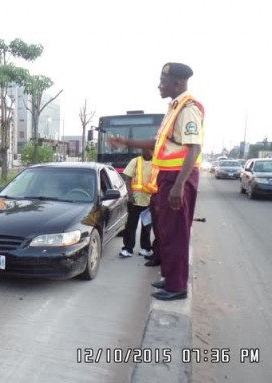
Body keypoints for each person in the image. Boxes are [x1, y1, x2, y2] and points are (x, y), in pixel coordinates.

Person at [108, 62, 204, 301]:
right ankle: (170, 279)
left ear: (179, 83)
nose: (159, 85)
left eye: (163, 81)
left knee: (177, 233)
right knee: (167, 232)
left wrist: (180, 185)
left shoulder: (188, 108)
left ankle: (177, 286)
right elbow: (157, 144)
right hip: (167, 177)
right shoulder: (173, 109)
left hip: (178, 177)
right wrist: (127, 143)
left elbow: (194, 148)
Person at [119, 148, 154, 258]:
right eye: (145, 150)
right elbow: (128, 178)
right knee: (130, 226)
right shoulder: (135, 161)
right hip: (135, 200)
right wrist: (130, 195)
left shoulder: (157, 163)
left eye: (150, 150)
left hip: (149, 201)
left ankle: (145, 248)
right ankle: (128, 249)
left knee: (147, 227)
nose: (148, 151)